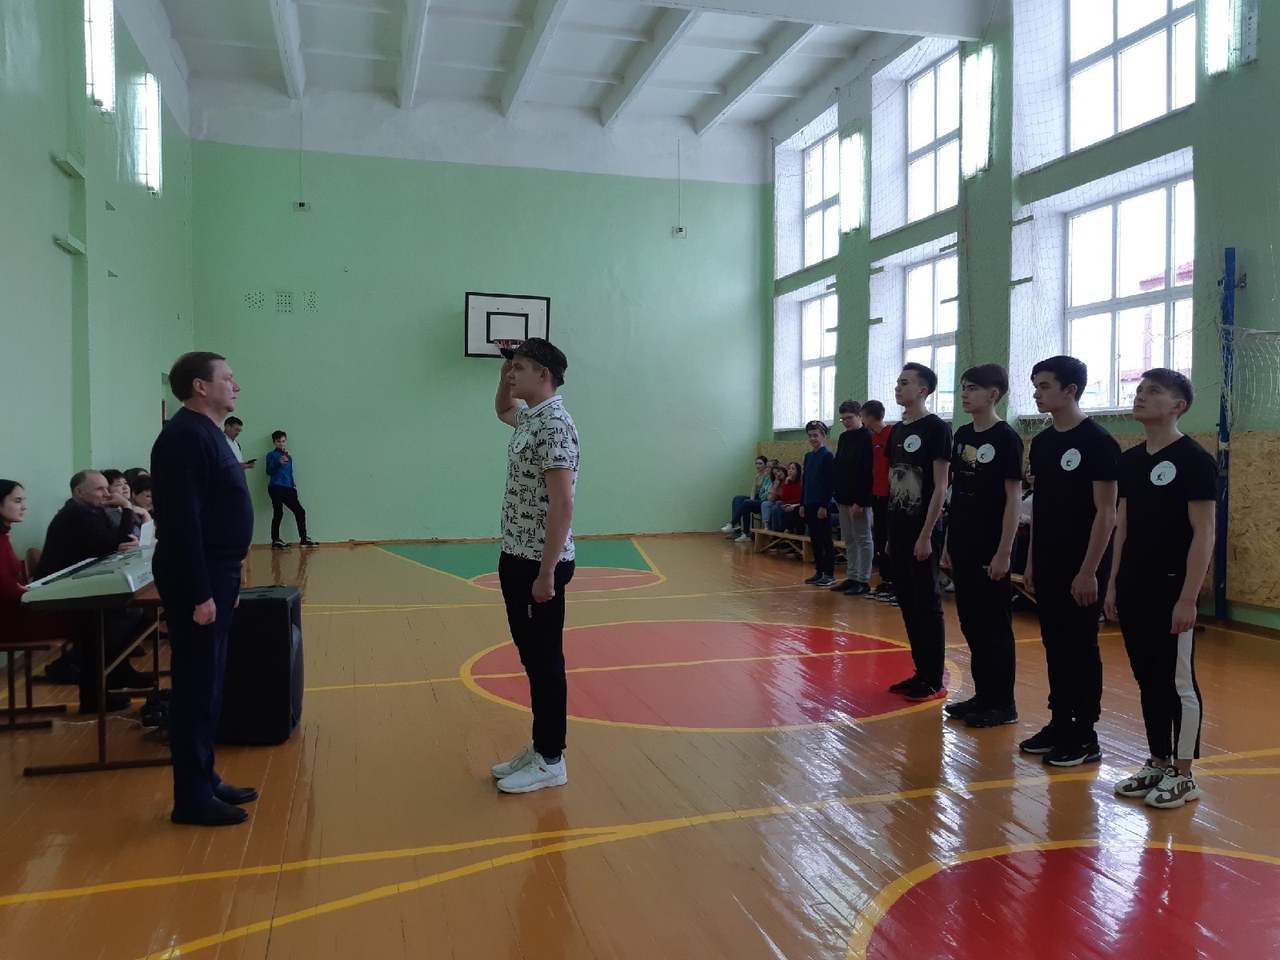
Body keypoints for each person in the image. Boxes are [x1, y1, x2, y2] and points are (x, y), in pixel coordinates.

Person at [151, 351, 258, 826]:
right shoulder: (185, 437)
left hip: (218, 573)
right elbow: (182, 522)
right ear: (200, 386)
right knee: (196, 686)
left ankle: (205, 777)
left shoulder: (208, 433)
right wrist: (200, 592)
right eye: (228, 378)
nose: (236, 385)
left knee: (210, 682)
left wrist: (227, 580)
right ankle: (191, 798)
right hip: (200, 576)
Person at [1105, 369, 1215, 809]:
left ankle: (1184, 775)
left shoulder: (1194, 459)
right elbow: (1123, 527)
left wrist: (1188, 598)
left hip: (1173, 590)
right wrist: (1113, 583)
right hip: (1134, 586)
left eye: (1153, 392)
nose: (1140, 397)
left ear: (1178, 406)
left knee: (1177, 681)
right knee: (1148, 677)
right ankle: (1158, 761)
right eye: (1138, 390)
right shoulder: (1130, 461)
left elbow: (1204, 534)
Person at [1021, 355, 1120, 767]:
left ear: (1070, 390)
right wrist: (1030, 562)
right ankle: (1060, 722)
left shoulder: (1098, 442)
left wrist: (1088, 571)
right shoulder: (1043, 443)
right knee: (1054, 644)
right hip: (1047, 562)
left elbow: (1107, 513)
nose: (1037, 394)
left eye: (1044, 386)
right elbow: (1040, 510)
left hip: (1084, 566)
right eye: (1035, 386)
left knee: (1080, 646)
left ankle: (1085, 735)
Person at [490, 338, 579, 794]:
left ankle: (551, 759)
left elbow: (562, 503)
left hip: (539, 564)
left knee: (545, 661)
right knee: (531, 657)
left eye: (520, 367)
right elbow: (502, 408)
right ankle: (540, 747)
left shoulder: (555, 425)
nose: (512, 374)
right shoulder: (531, 417)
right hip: (517, 554)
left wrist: (546, 574)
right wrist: (504, 366)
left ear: (544, 374)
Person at [942, 365, 1025, 728]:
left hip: (992, 547)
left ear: (993, 394)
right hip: (963, 542)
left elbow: (1013, 499)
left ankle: (1003, 704)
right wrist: (949, 540)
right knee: (971, 623)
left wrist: (1004, 551)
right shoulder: (962, 435)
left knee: (994, 627)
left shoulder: (1006, 438)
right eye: (963, 387)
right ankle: (983, 695)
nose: (965, 394)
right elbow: (959, 494)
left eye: (973, 388)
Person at [35, 470, 153, 710]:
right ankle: (92, 692)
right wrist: (127, 508)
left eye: (107, 488)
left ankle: (117, 670)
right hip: (60, 594)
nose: (107, 494)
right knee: (114, 619)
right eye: (100, 489)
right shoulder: (76, 514)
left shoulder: (93, 511)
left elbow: (121, 540)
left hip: (81, 587)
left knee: (140, 614)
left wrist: (124, 528)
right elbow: (114, 545)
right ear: (80, 492)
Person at [885, 363, 952, 702]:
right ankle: (920, 671)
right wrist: (890, 534)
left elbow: (940, 487)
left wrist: (926, 534)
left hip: (923, 530)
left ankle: (935, 679)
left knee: (927, 603)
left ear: (923, 390)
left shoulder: (937, 429)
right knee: (908, 603)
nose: (898, 387)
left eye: (905, 383)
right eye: (898, 382)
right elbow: (893, 483)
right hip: (898, 530)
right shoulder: (896, 430)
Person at [831, 400, 874, 596]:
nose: (846, 422)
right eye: (843, 419)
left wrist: (861, 501)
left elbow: (867, 472)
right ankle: (852, 576)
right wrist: (838, 495)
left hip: (859, 500)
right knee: (849, 538)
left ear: (859, 416)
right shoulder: (843, 437)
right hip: (843, 498)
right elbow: (839, 467)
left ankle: (863, 580)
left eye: (849, 418)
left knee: (863, 538)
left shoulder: (868, 437)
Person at [863, 400, 895, 601]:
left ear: (869, 417)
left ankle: (895, 583)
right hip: (877, 495)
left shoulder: (892, 433)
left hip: (891, 496)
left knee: (892, 541)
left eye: (862, 416)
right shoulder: (872, 437)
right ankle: (885, 580)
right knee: (881, 539)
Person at [264, 431, 317, 549]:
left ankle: (304, 539)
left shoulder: (289, 457)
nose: (281, 443)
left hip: (288, 488)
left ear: (286, 441)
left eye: (283, 441)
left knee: (300, 511)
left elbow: (290, 473)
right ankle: (275, 540)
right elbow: (269, 472)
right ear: (274, 442)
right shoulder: (271, 455)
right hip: (276, 487)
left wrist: (293, 486)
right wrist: (278, 463)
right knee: (278, 513)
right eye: (278, 441)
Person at [799, 420, 836, 586]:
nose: (812, 438)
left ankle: (829, 573)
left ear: (823, 436)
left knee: (825, 539)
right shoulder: (808, 456)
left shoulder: (827, 456)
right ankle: (819, 570)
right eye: (810, 435)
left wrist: (824, 505)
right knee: (814, 538)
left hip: (821, 504)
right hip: (809, 502)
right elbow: (805, 481)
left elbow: (830, 483)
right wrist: (802, 503)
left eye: (816, 435)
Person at [722, 457, 768, 539]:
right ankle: (737, 527)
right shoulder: (757, 476)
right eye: (756, 463)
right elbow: (754, 490)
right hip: (756, 498)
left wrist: (750, 502)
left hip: (763, 500)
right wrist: (751, 500)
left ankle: (733, 524)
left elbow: (765, 492)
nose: (758, 465)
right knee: (737, 499)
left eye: (760, 463)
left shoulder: (767, 476)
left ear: (765, 465)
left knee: (746, 502)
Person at [760, 464, 789, 532]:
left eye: (778, 471)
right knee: (765, 504)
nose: (778, 474)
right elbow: (769, 499)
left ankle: (778, 531)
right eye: (775, 474)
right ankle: (766, 528)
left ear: (783, 470)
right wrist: (775, 487)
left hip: (785, 502)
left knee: (775, 508)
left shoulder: (788, 480)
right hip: (776, 502)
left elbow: (784, 496)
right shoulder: (776, 483)